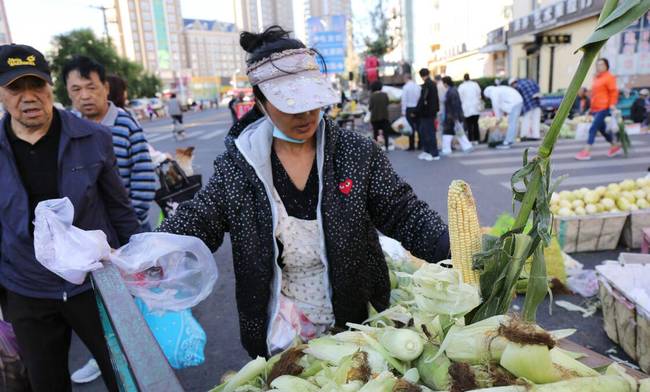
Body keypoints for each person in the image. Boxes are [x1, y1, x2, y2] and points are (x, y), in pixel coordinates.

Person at [157, 26, 450, 359]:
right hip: (279, 326)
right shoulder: (238, 167)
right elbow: (200, 220)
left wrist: (451, 246)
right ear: (261, 102)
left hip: (353, 322)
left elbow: (403, 212)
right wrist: (149, 253)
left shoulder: (355, 152)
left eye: (311, 102)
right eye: (289, 105)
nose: (305, 115)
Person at [0, 44, 141, 392]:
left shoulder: (94, 138)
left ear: (50, 88)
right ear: (1, 94)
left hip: (93, 283)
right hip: (26, 288)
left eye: (37, 86)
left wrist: (141, 262)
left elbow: (119, 208)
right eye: (16, 89)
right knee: (45, 383)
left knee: (124, 375)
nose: (29, 97)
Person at [63, 55, 156, 231]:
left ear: (105, 88)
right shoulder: (67, 127)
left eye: (91, 87)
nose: (84, 96)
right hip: (86, 233)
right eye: (76, 89)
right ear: (68, 92)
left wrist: (128, 223)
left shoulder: (126, 124)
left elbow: (144, 179)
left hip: (129, 228)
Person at [575, 58, 621, 160]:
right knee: (603, 129)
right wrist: (591, 108)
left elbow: (613, 92)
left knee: (593, 128)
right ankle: (614, 145)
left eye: (602, 64)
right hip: (596, 108)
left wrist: (612, 104)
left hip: (604, 107)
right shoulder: (597, 78)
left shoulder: (609, 77)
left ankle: (586, 151)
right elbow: (595, 95)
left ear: (606, 66)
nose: (599, 66)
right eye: (598, 64)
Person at [483, 84, 524, 149]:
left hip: (515, 102)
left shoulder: (493, 92)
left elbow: (496, 106)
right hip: (516, 101)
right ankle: (509, 140)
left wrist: (498, 118)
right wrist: (500, 117)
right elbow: (501, 105)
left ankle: (507, 142)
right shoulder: (498, 90)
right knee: (512, 122)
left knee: (512, 122)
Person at [441, 76, 473, 155]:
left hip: (451, 116)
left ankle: (447, 149)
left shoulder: (451, 92)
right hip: (453, 116)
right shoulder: (453, 90)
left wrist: (455, 117)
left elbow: (454, 105)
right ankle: (467, 146)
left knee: (448, 133)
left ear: (445, 83)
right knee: (458, 132)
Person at [416, 68, 440, 161]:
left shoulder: (427, 85)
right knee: (429, 132)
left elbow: (423, 99)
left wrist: (417, 110)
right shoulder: (433, 84)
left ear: (421, 76)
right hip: (432, 112)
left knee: (428, 133)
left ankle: (433, 153)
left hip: (426, 113)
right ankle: (428, 152)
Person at [368, 80, 393, 151]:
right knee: (386, 133)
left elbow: (370, 107)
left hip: (375, 118)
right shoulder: (385, 95)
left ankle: (376, 148)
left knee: (375, 133)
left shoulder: (372, 96)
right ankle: (387, 147)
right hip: (385, 117)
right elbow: (387, 103)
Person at [458, 73, 482, 143]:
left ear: (464, 79)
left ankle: (471, 139)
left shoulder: (461, 86)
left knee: (469, 125)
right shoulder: (475, 85)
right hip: (476, 107)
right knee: (475, 124)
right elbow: (479, 94)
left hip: (466, 108)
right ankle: (477, 139)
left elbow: (460, 97)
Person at [401, 72, 421, 150]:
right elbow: (420, 98)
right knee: (419, 127)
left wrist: (403, 111)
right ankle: (420, 144)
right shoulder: (418, 87)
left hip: (409, 108)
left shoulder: (405, 87)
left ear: (406, 78)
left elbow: (404, 100)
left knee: (410, 127)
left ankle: (411, 145)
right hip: (417, 108)